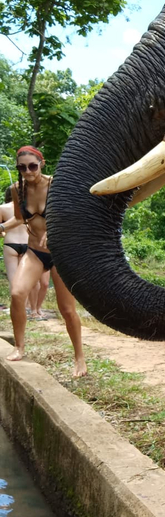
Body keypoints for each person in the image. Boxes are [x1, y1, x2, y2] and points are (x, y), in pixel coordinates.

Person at [1, 147, 87, 377]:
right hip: (34, 251)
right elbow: (19, 218)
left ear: (42, 163)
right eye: (22, 167)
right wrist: (2, 227)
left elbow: (76, 215)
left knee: (67, 309)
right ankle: (19, 347)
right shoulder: (17, 190)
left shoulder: (57, 185)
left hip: (61, 253)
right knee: (17, 294)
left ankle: (79, 358)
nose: (27, 171)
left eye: (32, 166)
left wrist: (57, 229)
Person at [1, 186, 50, 318]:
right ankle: (33, 309)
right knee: (34, 282)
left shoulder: (3, 208)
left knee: (15, 281)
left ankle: (19, 310)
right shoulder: (29, 207)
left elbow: (2, 231)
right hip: (27, 243)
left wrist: (4, 231)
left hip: (11, 243)